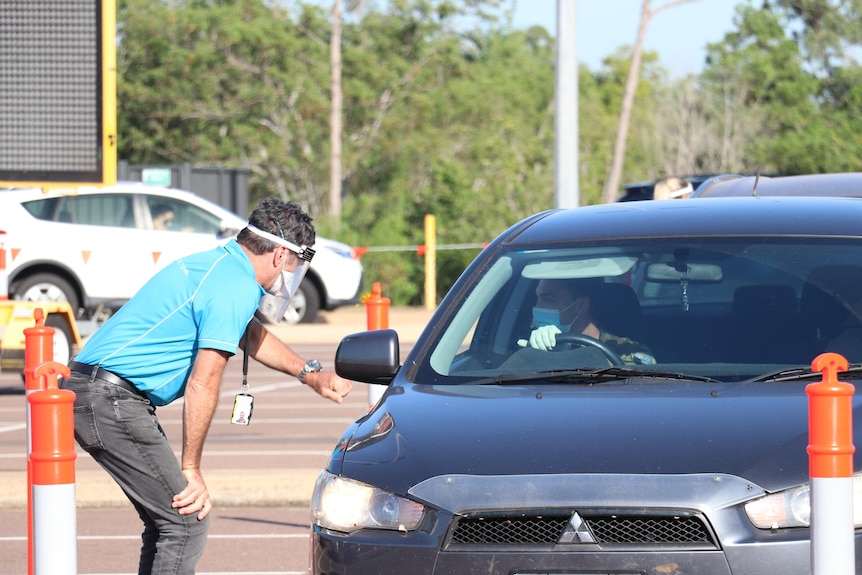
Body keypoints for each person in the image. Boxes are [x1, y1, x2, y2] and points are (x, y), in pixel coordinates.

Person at [60, 197, 352, 575]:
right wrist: (191, 468)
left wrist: (310, 374)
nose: (289, 276)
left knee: (168, 521)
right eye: (293, 266)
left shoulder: (221, 266)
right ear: (280, 255)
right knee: (186, 520)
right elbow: (203, 382)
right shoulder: (237, 286)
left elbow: (248, 332)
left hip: (97, 391)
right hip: (109, 399)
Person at [524, 278, 655, 365]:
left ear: (581, 306)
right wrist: (537, 354)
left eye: (548, 300)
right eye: (537, 299)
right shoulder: (532, 344)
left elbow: (643, 380)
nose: (537, 307)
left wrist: (563, 356)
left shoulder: (624, 349)